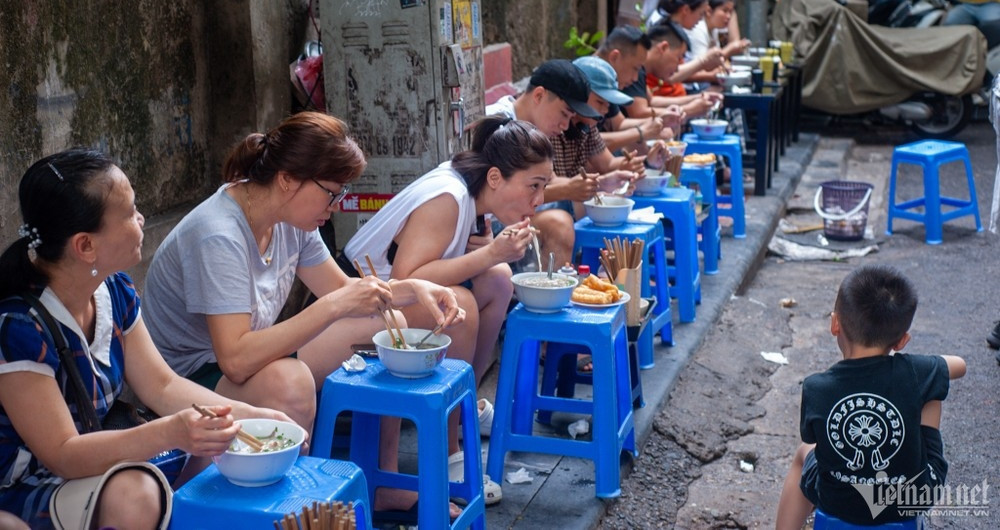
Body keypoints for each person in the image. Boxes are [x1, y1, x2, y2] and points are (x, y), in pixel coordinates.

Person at [142, 112, 465, 518]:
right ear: (287, 179)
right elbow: (236, 360)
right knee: (290, 384)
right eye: (331, 193)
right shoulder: (218, 234)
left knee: (392, 320)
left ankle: (381, 477)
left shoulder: (290, 218)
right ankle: (262, 511)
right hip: (189, 377)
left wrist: (413, 290)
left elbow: (343, 290)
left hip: (237, 360)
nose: (335, 206)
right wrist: (332, 308)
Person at [0, 148, 292, 529]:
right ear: (85, 245)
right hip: (27, 484)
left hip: (90, 464)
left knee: (217, 448)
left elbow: (163, 385)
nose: (141, 219)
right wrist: (170, 432)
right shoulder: (18, 326)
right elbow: (63, 454)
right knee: (136, 494)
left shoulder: (114, 290)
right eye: (130, 213)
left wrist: (251, 416)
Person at [343, 116, 555, 506]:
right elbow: (408, 280)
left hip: (393, 301)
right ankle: (449, 448)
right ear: (495, 177)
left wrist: (492, 253)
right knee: (464, 305)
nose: (538, 200)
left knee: (499, 279)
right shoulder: (450, 196)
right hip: (361, 303)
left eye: (543, 188)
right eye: (534, 186)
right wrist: (492, 250)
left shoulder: (472, 196)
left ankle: (462, 403)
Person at [775, 264, 967, 528]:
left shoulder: (816, 387)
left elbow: (814, 441)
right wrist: (921, 365)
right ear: (901, 341)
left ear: (835, 324)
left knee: (802, 454)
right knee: (932, 388)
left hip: (837, 503)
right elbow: (959, 365)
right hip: (913, 497)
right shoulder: (915, 371)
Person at [485, 59, 604, 270]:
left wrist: (603, 183)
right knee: (558, 223)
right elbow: (501, 198)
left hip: (512, 216)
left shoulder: (534, 129)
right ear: (539, 95)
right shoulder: (499, 125)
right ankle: (548, 299)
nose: (565, 125)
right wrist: (566, 190)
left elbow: (552, 181)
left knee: (594, 202)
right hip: (487, 227)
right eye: (563, 114)